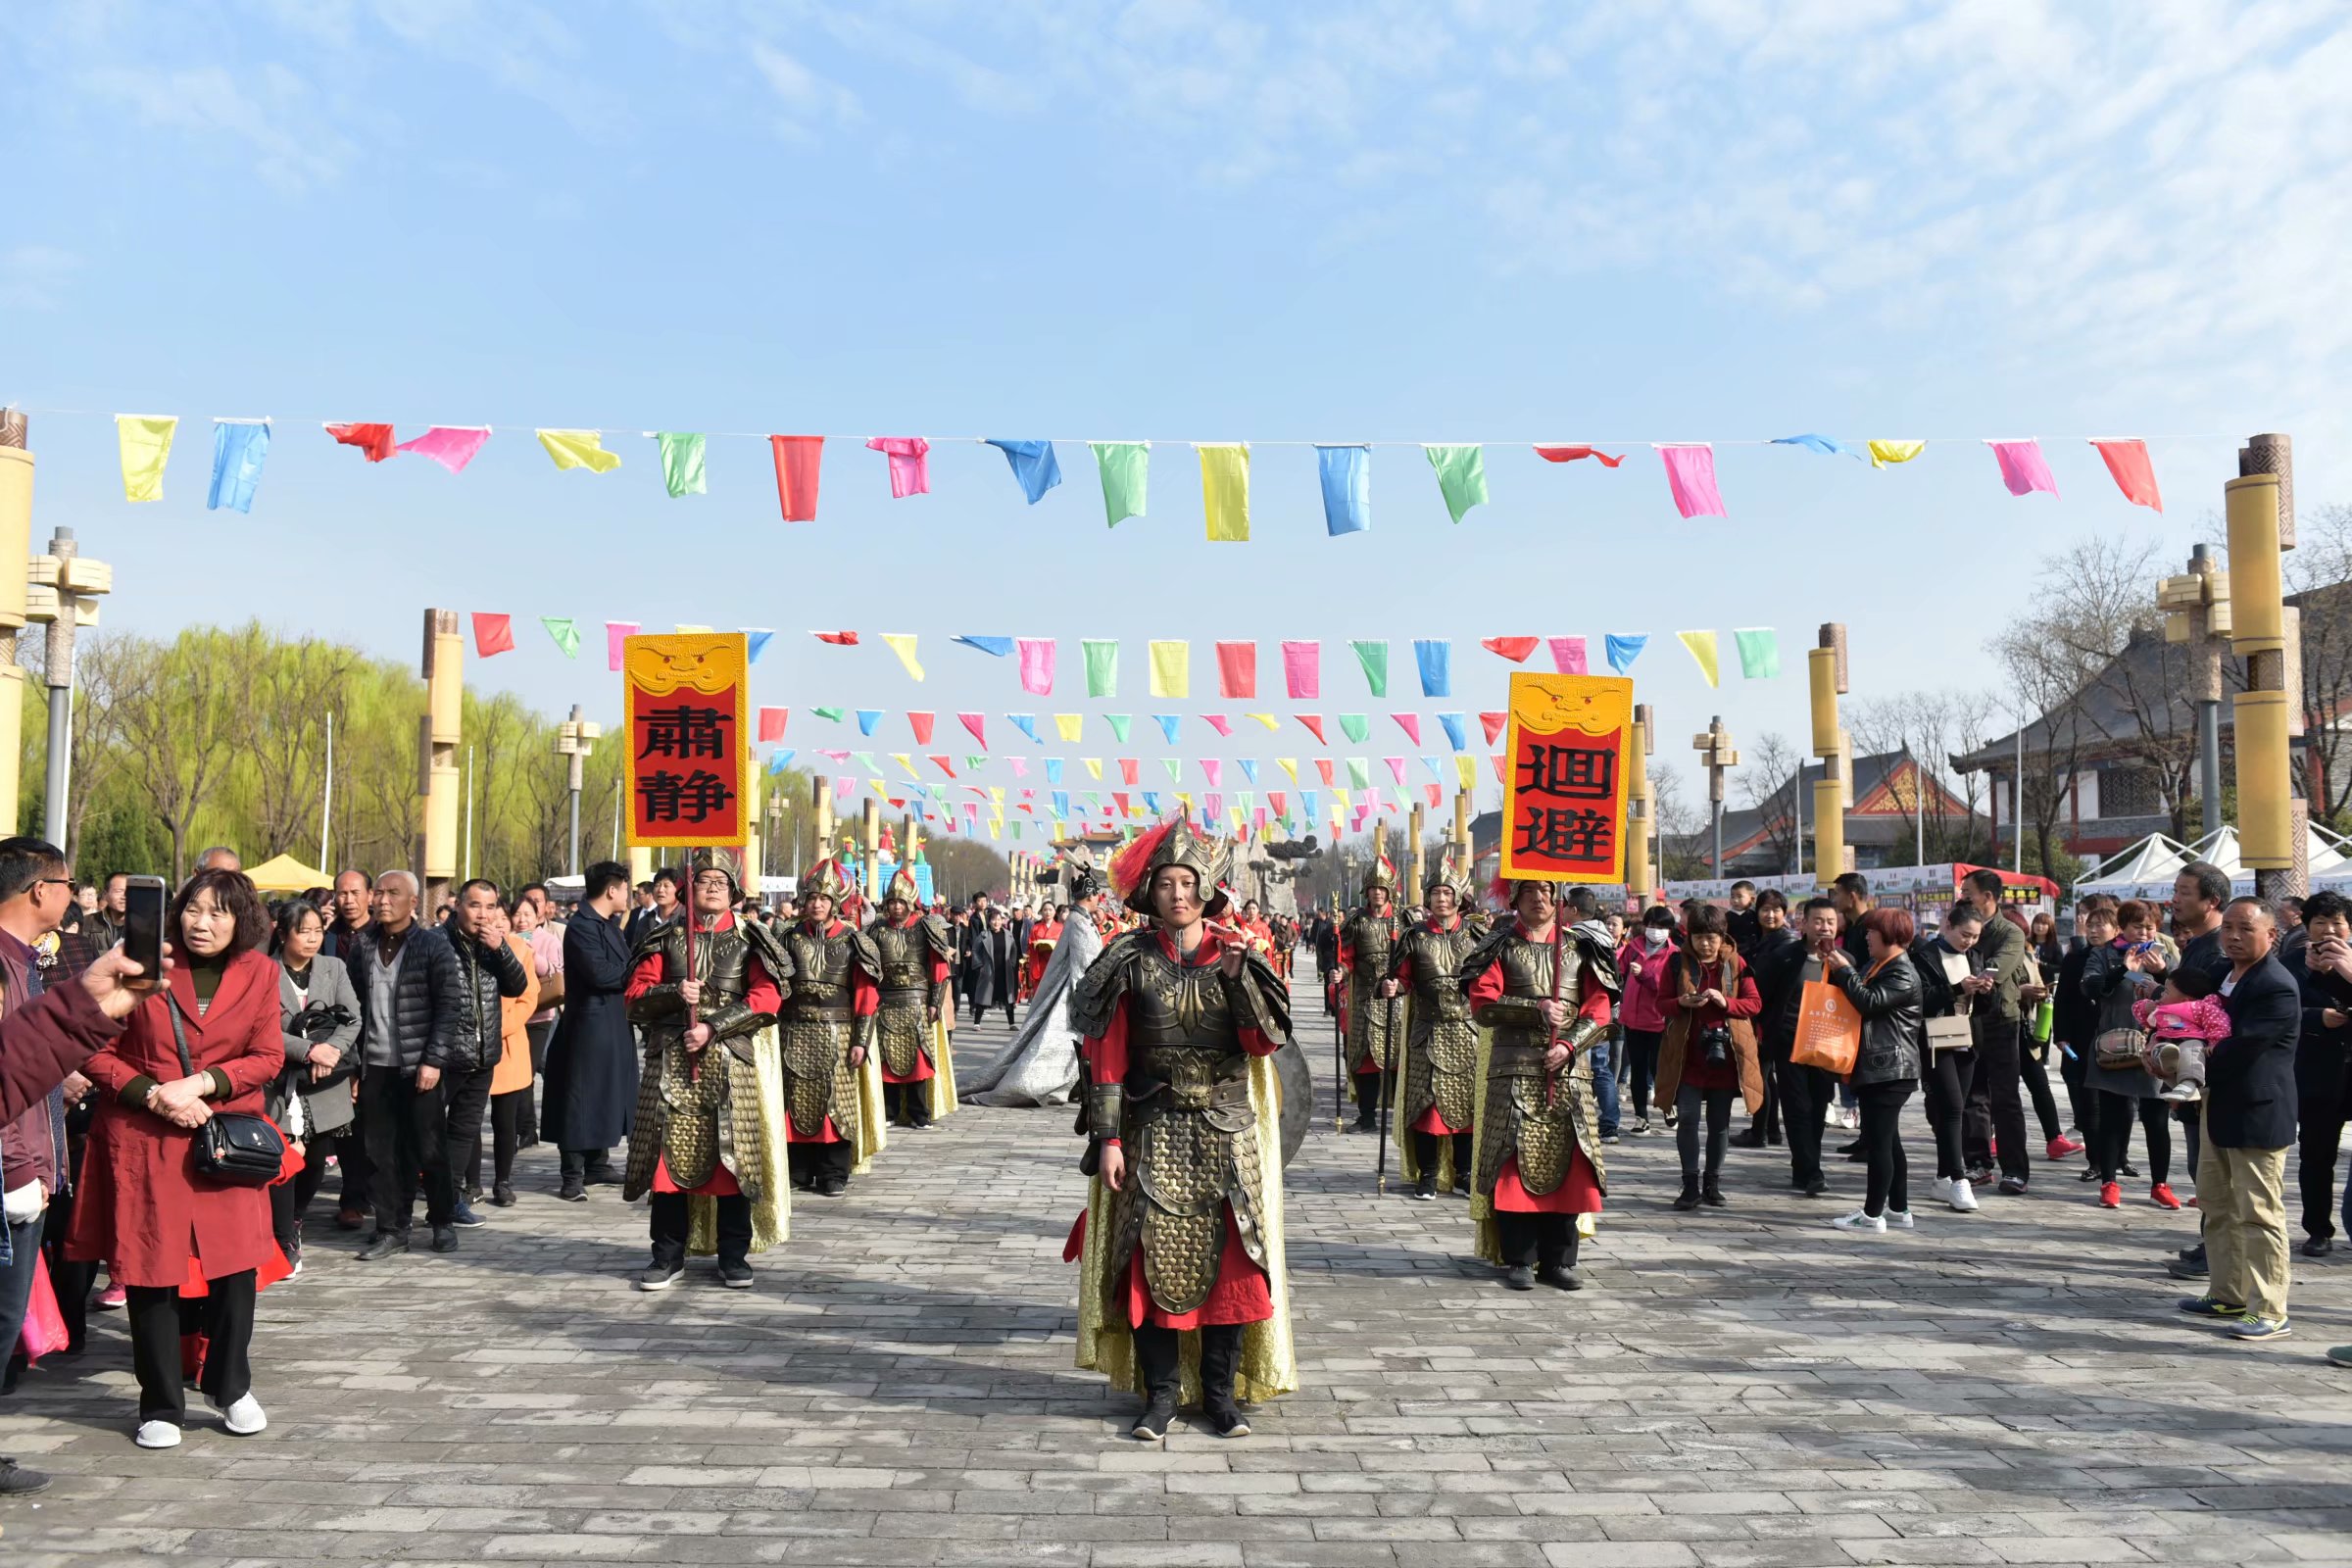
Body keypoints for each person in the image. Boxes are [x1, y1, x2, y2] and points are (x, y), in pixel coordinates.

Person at [1071, 817, 1295, 1440]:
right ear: (1152, 892)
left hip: (1226, 1131)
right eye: (1167, 882)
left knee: (1233, 1266)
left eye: (1188, 882)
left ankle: (1221, 1395)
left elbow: (1263, 1042)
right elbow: (1107, 1058)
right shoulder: (1127, 962)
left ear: (1208, 890)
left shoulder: (1237, 958)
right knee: (1149, 1263)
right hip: (1152, 1129)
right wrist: (1109, 1139)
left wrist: (1240, 977)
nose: (1177, 894)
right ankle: (1161, 1395)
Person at [69, 868, 280, 1449]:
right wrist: (156, 1095)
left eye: (218, 913)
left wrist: (205, 1084)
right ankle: (161, 1402)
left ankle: (230, 1386)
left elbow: (265, 1056)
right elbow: (95, 1050)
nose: (202, 923)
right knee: (149, 1271)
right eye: (193, 909)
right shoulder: (141, 963)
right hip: (144, 1137)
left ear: (243, 921)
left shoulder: (260, 972)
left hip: (224, 1139)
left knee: (235, 1270)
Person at [623, 861, 789, 1291]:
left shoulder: (751, 937)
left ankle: (734, 1255)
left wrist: (714, 1026)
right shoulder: (665, 936)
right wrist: (673, 994)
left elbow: (767, 998)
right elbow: (635, 999)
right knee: (666, 1162)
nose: (712, 889)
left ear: (733, 891)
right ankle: (666, 1254)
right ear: (688, 888)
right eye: (704, 881)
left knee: (735, 1157)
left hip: (731, 1058)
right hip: (670, 1062)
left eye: (721, 883)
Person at [1462, 878, 1618, 1292]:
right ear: (1515, 898)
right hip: (1513, 1068)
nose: (1539, 899)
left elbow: (1600, 1010)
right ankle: (1519, 1257)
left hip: (1569, 1070)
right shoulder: (1499, 946)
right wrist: (1535, 1007)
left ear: (1559, 899)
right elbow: (1482, 1005)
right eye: (1530, 892)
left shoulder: (1582, 948)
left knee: (1571, 1164)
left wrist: (1569, 1044)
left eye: (1547, 892)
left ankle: (1560, 1260)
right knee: (1513, 1163)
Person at [2176, 898, 2300, 1341]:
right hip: (2218, 1105)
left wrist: (2182, 1061)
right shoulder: (2220, 975)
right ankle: (2227, 1293)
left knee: (2260, 1213)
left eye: (2245, 929)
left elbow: (2242, 1048)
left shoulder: (2276, 985)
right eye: (2228, 927)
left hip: (2258, 1111)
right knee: (2216, 1203)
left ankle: (2270, 1308)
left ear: (2271, 935)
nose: (2233, 936)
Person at [0, 838, 79, 1462]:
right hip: (10, 1178)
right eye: (67, 883)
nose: (70, 895)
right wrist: (18, 1167)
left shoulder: (25, 960)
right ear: (39, 892)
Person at [345, 869, 463, 1258]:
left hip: (419, 1065)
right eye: (378, 892)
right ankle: (391, 1228)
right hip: (375, 1064)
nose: (381, 899)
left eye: (392, 893)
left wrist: (433, 1060)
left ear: (413, 902)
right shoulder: (362, 946)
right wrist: (354, 1066)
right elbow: (353, 1009)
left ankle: (442, 1219)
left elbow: (450, 1006)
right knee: (380, 1151)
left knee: (429, 1147)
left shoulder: (432, 945)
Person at [775, 858, 880, 1199]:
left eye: (824, 899)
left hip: (838, 1032)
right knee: (796, 1100)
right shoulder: (789, 937)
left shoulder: (854, 941)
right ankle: (800, 1169)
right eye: (812, 898)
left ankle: (834, 1172)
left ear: (835, 903)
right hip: (795, 1031)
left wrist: (860, 1040)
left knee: (838, 1102)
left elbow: (865, 993)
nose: (817, 904)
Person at [965, 869, 1110, 1107]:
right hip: (1076, 996)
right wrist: (1090, 1000)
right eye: (1097, 896)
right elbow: (1085, 966)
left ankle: (1077, 1085)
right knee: (1064, 1044)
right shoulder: (1080, 922)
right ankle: (1034, 1084)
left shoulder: (1077, 919)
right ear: (1091, 896)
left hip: (1072, 991)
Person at [268, 901, 360, 1272]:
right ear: (283, 933)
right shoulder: (263, 971)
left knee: (316, 1161)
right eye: (302, 931)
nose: (311, 938)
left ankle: (297, 1216)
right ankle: (283, 1233)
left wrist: (331, 1053)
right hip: (279, 1081)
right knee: (284, 1158)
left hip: (325, 1082)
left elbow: (352, 1018)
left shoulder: (333, 967)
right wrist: (310, 1051)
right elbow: (262, 1029)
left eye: (317, 931)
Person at [1383, 849, 1480, 1200]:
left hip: (1468, 1031)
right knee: (1428, 1105)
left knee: (1467, 1105)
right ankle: (1428, 1174)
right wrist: (1392, 986)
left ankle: (1464, 1173)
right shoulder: (1414, 937)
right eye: (1436, 892)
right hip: (1428, 1029)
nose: (1441, 898)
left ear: (1458, 899)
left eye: (1447, 893)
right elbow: (1402, 979)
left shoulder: (1477, 936)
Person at [1653, 906, 1763, 1210]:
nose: (1706, 945)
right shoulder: (1677, 962)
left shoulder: (1735, 963)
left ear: (1722, 936)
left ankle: (1712, 1183)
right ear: (1690, 936)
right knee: (1687, 1119)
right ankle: (1690, 1184)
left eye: (1711, 938)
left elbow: (1754, 1004)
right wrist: (1681, 1002)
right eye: (1699, 937)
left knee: (1719, 1123)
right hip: (1687, 1057)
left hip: (1725, 1056)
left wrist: (1724, 1001)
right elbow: (1661, 1004)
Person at [2077, 899, 2181, 1213]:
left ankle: (2159, 1185)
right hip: (2114, 1044)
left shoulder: (2164, 954)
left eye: (2150, 926)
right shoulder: (2105, 953)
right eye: (2137, 926)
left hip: (2154, 1046)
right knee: (2112, 1117)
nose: (2144, 932)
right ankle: (2109, 1182)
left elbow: (2185, 994)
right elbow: (2091, 988)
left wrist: (2162, 973)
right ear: (2122, 926)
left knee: (2156, 1118)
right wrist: (2125, 969)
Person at [540, 860, 636, 1201]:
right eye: (625, 889)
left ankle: (598, 1162)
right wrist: (636, 974)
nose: (628, 895)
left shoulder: (607, 925)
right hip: (588, 1025)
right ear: (612, 890)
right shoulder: (582, 926)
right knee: (580, 1097)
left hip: (612, 1021)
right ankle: (572, 1175)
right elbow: (601, 973)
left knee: (608, 1094)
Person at [436, 880, 529, 1227]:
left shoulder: (493, 946)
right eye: (475, 905)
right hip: (443, 1056)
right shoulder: (436, 942)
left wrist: (501, 949)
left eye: (490, 907)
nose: (483, 914)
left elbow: (517, 986)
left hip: (482, 1055)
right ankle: (404, 1202)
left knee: (463, 1130)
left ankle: (450, 1201)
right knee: (424, 1130)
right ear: (458, 905)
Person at [1825, 907, 1924, 1234]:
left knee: (1879, 1144)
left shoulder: (1902, 973)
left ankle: (1870, 1216)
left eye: (1872, 932)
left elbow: (1868, 1001)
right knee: (1890, 1141)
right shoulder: (1879, 965)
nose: (1867, 937)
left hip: (1890, 1069)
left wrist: (1845, 972)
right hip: (1881, 1067)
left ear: (1890, 935)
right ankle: (1899, 1209)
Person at [1957, 867, 2039, 1195]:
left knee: (2005, 1098)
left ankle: (2016, 1170)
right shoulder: (1958, 924)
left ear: (1988, 897)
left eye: (1968, 894)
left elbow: (1997, 971)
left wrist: (1974, 977)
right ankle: (1977, 1163)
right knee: (1973, 1095)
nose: (1963, 899)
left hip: (2002, 1021)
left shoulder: (2010, 932)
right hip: (1967, 1021)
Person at [2289, 889, 2352, 1257]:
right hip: (2317, 1075)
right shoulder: (2292, 964)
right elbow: (2281, 1011)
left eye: (2337, 923)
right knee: (2316, 1156)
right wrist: (2317, 1018)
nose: (2329, 930)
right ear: (2307, 926)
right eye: (2320, 923)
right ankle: (2318, 1229)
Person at [868, 866, 955, 1130]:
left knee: (919, 1060)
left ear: (911, 903)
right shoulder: (877, 930)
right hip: (886, 1003)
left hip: (917, 1003)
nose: (896, 907)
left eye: (901, 902)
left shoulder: (925, 927)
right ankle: (889, 1111)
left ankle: (920, 1113)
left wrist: (934, 1003)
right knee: (887, 1060)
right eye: (892, 902)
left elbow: (940, 968)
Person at [478, 902, 541, 1208]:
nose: (501, 924)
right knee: (469, 1120)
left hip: (509, 1043)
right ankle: (470, 1182)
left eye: (505, 918)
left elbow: (528, 999)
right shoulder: (474, 949)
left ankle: (502, 1181)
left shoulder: (520, 949)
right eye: (495, 918)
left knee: (506, 1122)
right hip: (474, 1046)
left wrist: (497, 1026)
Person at [1336, 858, 1404, 1134]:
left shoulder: (1403, 921)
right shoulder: (1356, 922)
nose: (1377, 892)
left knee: (1396, 1059)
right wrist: (1340, 971)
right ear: (1367, 890)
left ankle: (1399, 1117)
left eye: (1382, 888)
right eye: (1373, 887)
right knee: (1364, 1061)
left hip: (1394, 999)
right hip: (1364, 998)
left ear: (1389, 891)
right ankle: (1366, 1116)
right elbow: (1347, 957)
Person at [1735, 890, 1798, 1153]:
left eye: (1776, 910)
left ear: (1784, 914)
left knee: (1759, 1076)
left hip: (1771, 1018)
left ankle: (1759, 1132)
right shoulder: (1763, 939)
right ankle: (1769, 1129)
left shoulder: (1784, 943)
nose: (1770, 915)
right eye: (1765, 910)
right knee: (1764, 1075)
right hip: (1762, 1015)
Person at [1614, 906, 1679, 1135]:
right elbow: (1618, 973)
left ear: (1669, 929)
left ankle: (1668, 1105)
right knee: (1638, 1070)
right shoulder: (1633, 947)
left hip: (1659, 1021)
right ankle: (1641, 1117)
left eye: (1661, 927)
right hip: (1632, 1020)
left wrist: (1644, 974)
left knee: (1659, 1069)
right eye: (1652, 925)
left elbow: (1666, 987)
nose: (1655, 931)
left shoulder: (1674, 954)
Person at [511, 890, 564, 1150]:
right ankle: (526, 1129)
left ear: (537, 915)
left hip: (540, 1015)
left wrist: (530, 951)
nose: (522, 919)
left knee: (526, 1074)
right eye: (517, 914)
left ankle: (526, 1129)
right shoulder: (506, 939)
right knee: (517, 1075)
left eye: (527, 914)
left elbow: (554, 972)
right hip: (512, 1015)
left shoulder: (548, 940)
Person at [961, 907, 1017, 1026]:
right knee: (983, 996)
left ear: (1002, 921)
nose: (996, 922)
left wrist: (1012, 963)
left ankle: (1012, 1023)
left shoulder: (1008, 935)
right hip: (988, 971)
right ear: (989, 922)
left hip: (1004, 971)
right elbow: (975, 950)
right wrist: (980, 965)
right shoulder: (983, 935)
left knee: (1008, 997)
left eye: (998, 919)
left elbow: (1014, 950)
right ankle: (977, 1023)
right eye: (993, 920)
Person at [1725, 880, 1762, 957]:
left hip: (1755, 955)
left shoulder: (1757, 915)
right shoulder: (1726, 917)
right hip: (1735, 956)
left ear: (1752, 899)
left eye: (1739, 896)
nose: (1735, 900)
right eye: (1732, 896)